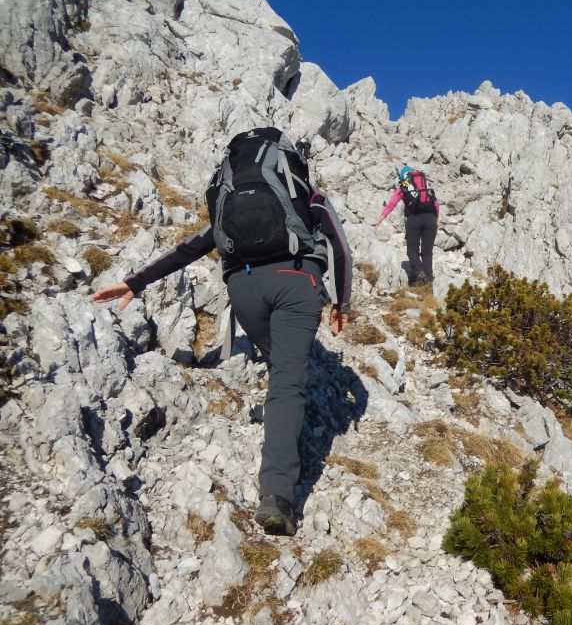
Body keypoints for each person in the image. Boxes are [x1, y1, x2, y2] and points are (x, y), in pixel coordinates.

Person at [92, 129, 352, 536]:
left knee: (276, 364)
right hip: (296, 281)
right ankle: (276, 497)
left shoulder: (229, 195)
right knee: (288, 382)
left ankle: (278, 420)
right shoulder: (306, 194)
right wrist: (342, 303)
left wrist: (135, 282)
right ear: (291, 161)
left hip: (243, 288)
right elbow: (339, 245)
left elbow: (192, 246)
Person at [372, 165, 439, 286]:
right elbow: (436, 204)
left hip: (414, 219)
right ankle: (429, 282)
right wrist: (436, 221)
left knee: (412, 251)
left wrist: (379, 220)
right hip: (431, 219)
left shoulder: (404, 186)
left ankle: (419, 274)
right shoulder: (425, 183)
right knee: (427, 252)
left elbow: (391, 204)